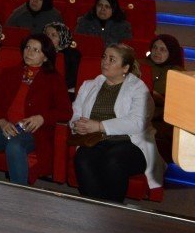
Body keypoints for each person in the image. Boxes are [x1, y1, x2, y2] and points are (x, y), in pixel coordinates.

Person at [70, 44, 165, 202]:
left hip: (131, 143)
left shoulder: (138, 88)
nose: (105, 62)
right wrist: (77, 125)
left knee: (113, 160)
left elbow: (137, 122)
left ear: (125, 68)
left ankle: (113, 209)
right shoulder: (89, 85)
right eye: (104, 57)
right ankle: (96, 207)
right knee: (82, 158)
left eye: (112, 59)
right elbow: (76, 114)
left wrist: (99, 126)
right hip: (95, 140)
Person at [0, 34, 72, 185]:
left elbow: (66, 112)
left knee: (15, 146)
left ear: (46, 57)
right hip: (4, 127)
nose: (29, 52)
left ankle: (19, 191)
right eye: (27, 48)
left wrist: (42, 118)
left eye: (36, 50)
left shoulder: (54, 79)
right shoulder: (10, 73)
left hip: (32, 132)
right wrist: (2, 122)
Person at [143, 34, 185, 161]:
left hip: (161, 116)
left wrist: (157, 97)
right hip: (136, 110)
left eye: (162, 49)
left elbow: (178, 105)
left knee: (158, 134)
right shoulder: (140, 65)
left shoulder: (178, 73)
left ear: (171, 53)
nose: (157, 52)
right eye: (155, 48)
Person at [44, 22, 81, 95]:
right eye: (47, 34)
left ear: (62, 37)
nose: (48, 38)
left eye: (53, 35)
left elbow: (73, 79)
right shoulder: (42, 50)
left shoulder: (73, 54)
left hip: (64, 90)